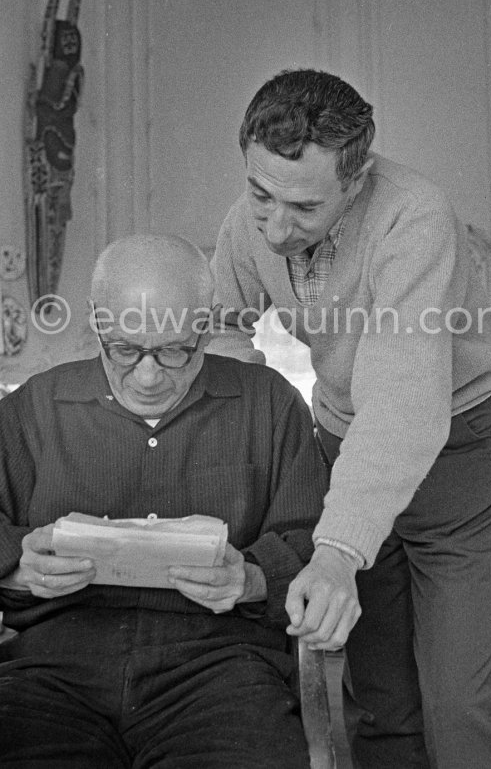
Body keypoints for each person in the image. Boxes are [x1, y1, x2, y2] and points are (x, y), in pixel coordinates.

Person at [208, 68, 491, 768]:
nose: (276, 226)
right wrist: (254, 430)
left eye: (305, 207)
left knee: (456, 711)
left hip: (459, 454)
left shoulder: (414, 217)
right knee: (379, 701)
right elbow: (224, 332)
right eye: (262, 193)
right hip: (348, 449)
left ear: (356, 181)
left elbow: (403, 403)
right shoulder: (248, 221)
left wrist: (337, 550)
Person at [0, 233, 328, 768]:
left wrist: (251, 578)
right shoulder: (36, 405)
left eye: (176, 349)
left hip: (220, 668)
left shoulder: (268, 403)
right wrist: (18, 568)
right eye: (125, 350)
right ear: (96, 322)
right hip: (53, 666)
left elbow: (317, 545)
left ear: (208, 324)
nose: (149, 375)